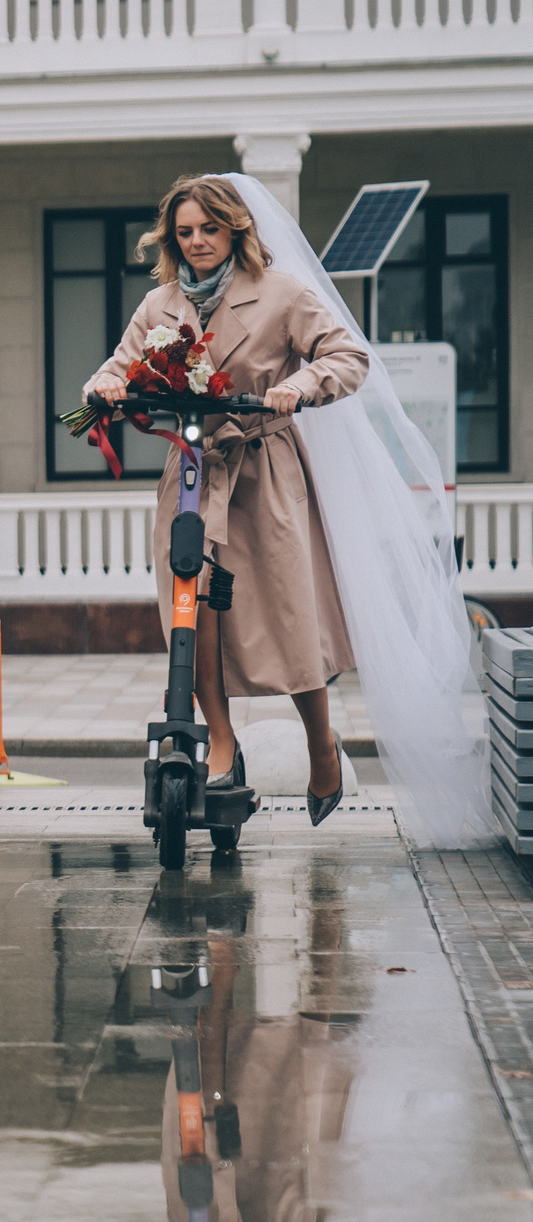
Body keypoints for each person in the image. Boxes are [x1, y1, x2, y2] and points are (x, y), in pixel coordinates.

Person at [81, 176, 370, 821]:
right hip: (192, 470)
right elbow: (120, 364)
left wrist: (303, 384)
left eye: (209, 229)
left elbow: (348, 356)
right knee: (195, 608)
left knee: (290, 615)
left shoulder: (283, 294)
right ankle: (219, 740)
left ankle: (320, 745)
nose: (197, 242)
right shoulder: (160, 304)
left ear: (235, 229)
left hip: (263, 470)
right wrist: (103, 387)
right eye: (185, 232)